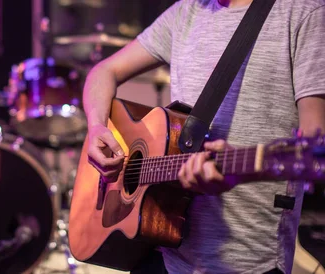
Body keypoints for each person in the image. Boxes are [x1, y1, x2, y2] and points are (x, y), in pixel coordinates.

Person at [82, 0, 325, 273]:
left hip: (248, 260)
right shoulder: (187, 11)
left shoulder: (303, 11)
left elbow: (315, 143)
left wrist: (238, 173)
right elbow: (103, 71)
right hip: (166, 251)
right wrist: (96, 128)